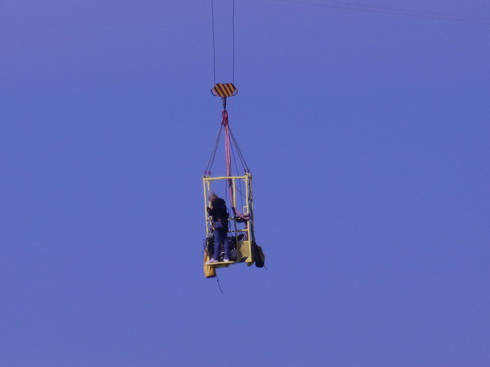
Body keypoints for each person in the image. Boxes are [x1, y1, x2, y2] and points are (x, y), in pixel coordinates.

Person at [206, 191, 230, 263]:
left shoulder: (214, 203)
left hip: (219, 224)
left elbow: (211, 213)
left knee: (217, 241)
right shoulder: (222, 201)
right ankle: (227, 257)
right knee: (225, 240)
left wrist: (209, 210)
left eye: (209, 199)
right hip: (225, 223)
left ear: (211, 198)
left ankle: (215, 258)